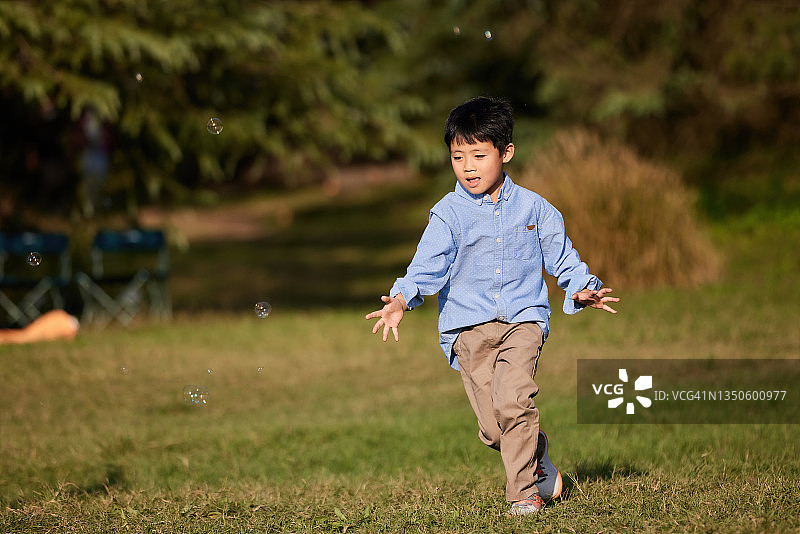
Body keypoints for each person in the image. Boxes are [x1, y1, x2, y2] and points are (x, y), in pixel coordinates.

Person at [365, 96, 619, 516]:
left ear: (506, 152)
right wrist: (401, 299)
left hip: (523, 321)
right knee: (493, 426)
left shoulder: (536, 208)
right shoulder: (447, 214)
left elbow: (562, 257)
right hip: (468, 329)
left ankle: (524, 495)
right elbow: (427, 266)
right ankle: (537, 454)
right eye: (458, 157)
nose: (468, 167)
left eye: (479, 155)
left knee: (514, 403)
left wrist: (580, 287)